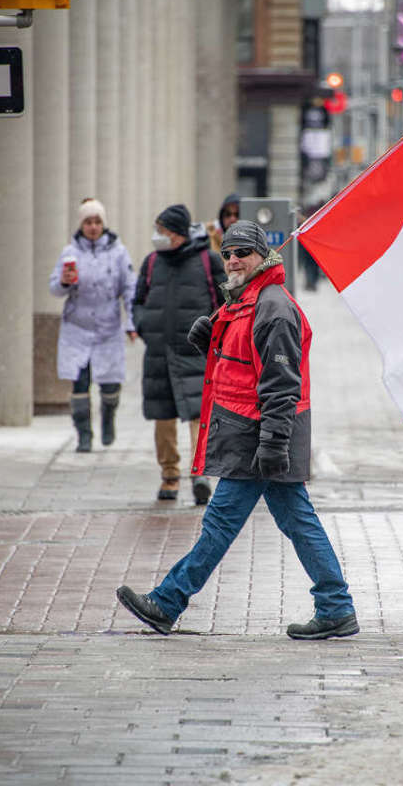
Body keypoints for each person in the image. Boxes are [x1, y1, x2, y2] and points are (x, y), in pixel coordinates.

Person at [117, 220, 358, 641]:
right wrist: (212, 341)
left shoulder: (273, 308)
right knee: (298, 522)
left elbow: (282, 386)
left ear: (262, 257)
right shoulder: (243, 303)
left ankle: (168, 601)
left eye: (242, 252)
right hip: (255, 435)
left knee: (220, 524)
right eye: (227, 252)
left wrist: (272, 444)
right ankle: (336, 607)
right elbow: (240, 368)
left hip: (261, 437)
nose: (232, 259)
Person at [132, 203, 225, 504]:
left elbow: (225, 302)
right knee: (163, 417)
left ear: (178, 233)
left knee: (198, 415)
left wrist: (213, 337)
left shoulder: (207, 261)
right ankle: (169, 476)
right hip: (158, 353)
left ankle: (200, 473)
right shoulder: (151, 263)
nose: (158, 236)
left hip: (195, 352)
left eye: (163, 231)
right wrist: (143, 324)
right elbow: (138, 301)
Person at [49, 198, 137, 453]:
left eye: (97, 221)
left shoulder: (118, 252)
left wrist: (131, 322)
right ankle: (84, 435)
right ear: (81, 224)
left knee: (110, 384)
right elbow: (53, 287)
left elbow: (129, 288)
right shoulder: (70, 253)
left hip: (108, 328)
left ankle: (108, 418)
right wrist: (64, 283)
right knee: (80, 383)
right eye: (88, 221)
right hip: (77, 329)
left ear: (104, 224)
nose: (93, 226)